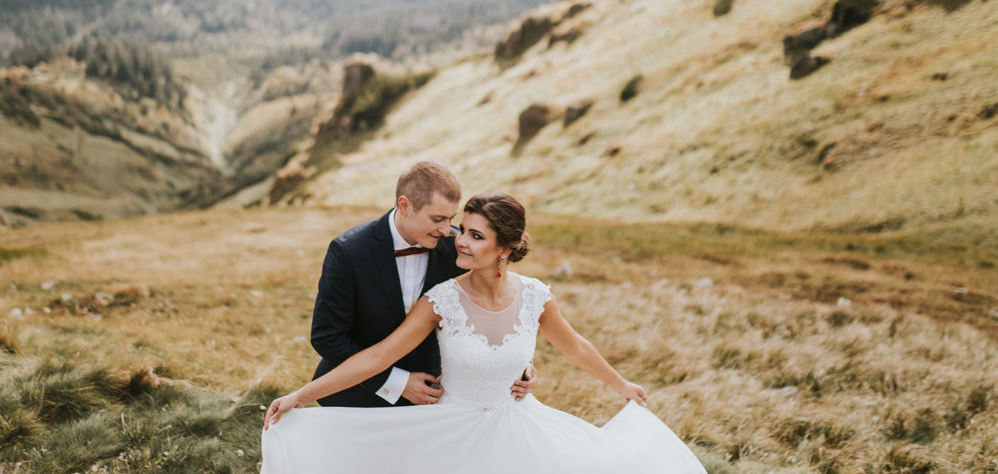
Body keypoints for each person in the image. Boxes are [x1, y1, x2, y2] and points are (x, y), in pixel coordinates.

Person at [263, 193, 707, 474]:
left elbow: (575, 345)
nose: (458, 240)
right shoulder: (440, 300)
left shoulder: (535, 296)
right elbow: (377, 356)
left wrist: (621, 385)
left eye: (475, 236)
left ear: (505, 249)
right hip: (448, 431)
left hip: (520, 428)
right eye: (462, 230)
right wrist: (300, 395)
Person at [309, 161, 535, 407]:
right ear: (404, 205)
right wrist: (396, 382)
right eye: (437, 218)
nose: (446, 229)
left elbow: (489, 310)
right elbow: (327, 336)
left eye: (450, 218)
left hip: (435, 394)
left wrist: (516, 365)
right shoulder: (350, 251)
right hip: (358, 391)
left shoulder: (457, 247)